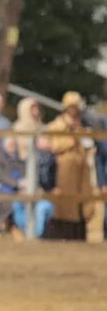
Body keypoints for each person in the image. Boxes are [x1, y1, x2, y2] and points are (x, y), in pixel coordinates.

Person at [44, 92, 96, 240]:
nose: (74, 111)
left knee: (83, 204)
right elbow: (53, 145)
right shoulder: (56, 126)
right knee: (65, 205)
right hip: (65, 169)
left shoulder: (81, 126)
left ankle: (79, 236)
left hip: (82, 170)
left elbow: (87, 144)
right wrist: (72, 137)